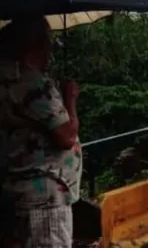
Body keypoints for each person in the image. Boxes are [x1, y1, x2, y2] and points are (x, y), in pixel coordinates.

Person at [0, 16, 82, 247]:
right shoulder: (34, 84)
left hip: (14, 192)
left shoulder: (6, 80)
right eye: (48, 42)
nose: (51, 50)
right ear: (33, 45)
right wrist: (70, 99)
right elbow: (67, 135)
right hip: (44, 198)